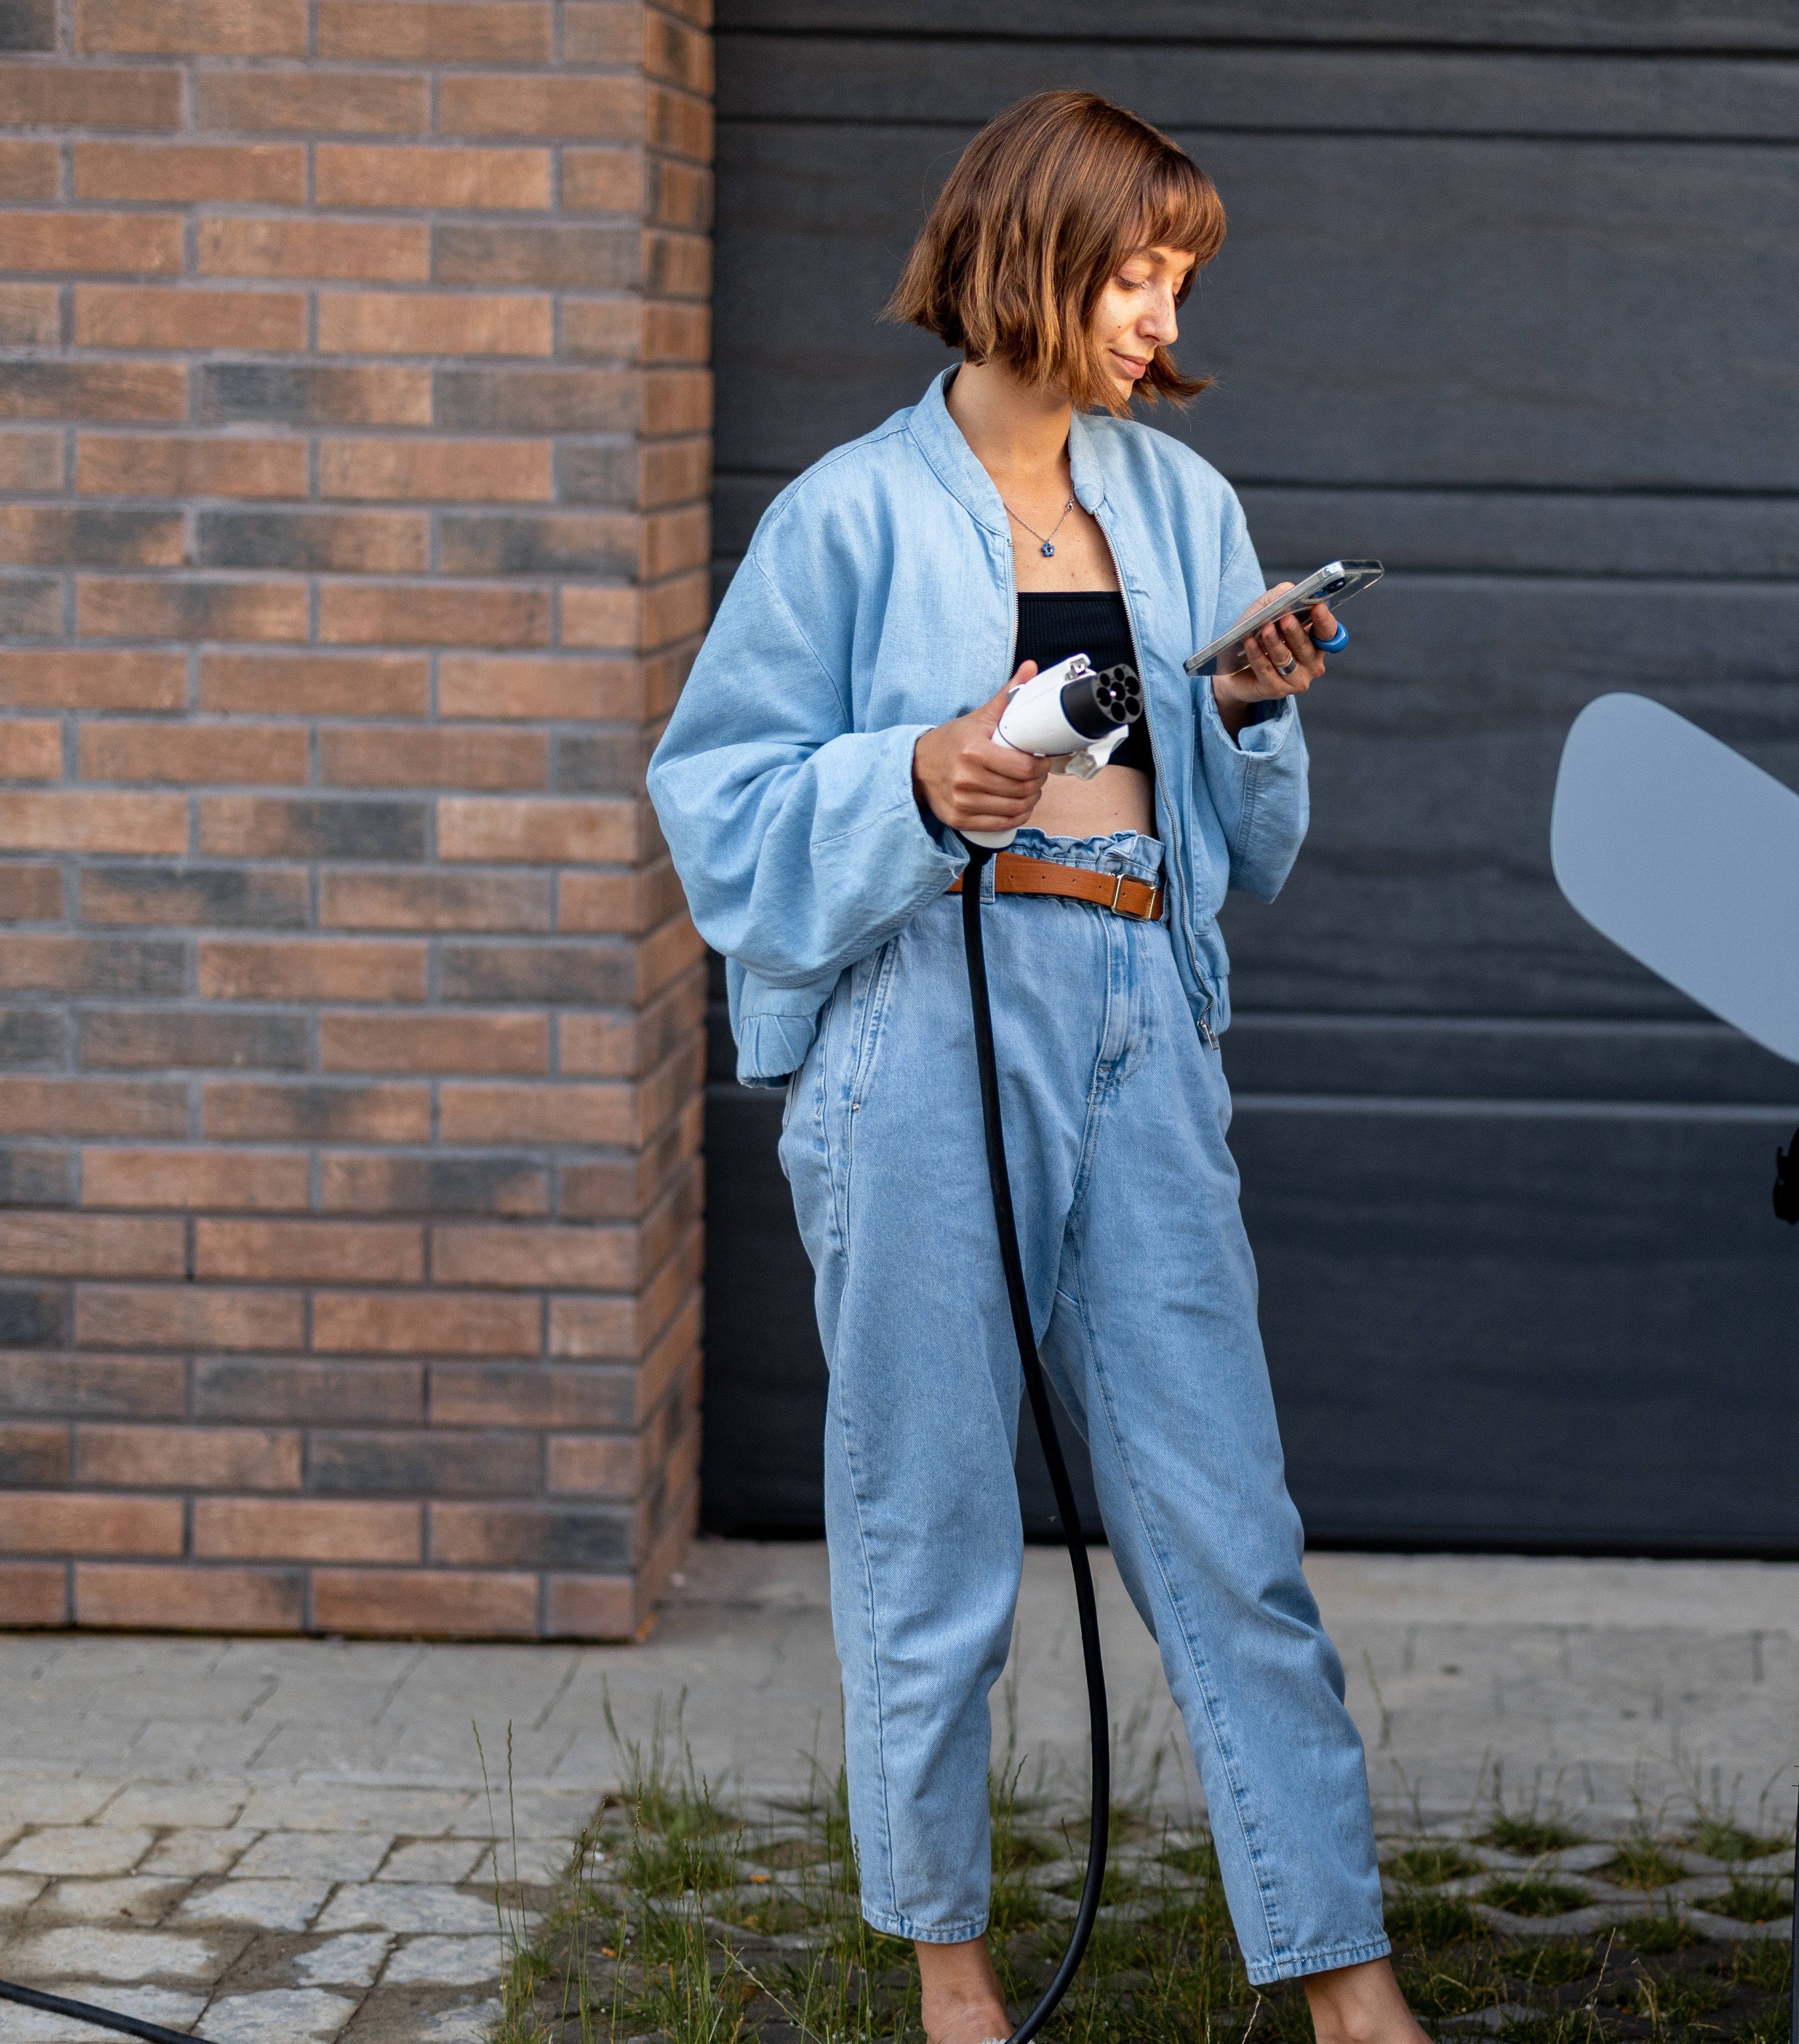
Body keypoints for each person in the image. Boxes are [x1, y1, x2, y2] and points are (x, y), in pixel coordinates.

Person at [643, 92, 1427, 2044]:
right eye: (1136, 274)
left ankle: (1344, 1985)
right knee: (929, 1526)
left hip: (1137, 1014)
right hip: (922, 1024)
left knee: (1225, 1523)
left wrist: (1243, 708)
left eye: (1178, 281)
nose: (1160, 318)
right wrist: (908, 774)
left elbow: (1247, 848)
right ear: (1030, 255)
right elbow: (714, 804)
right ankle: (950, 1975)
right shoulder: (837, 517)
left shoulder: (1185, 509)